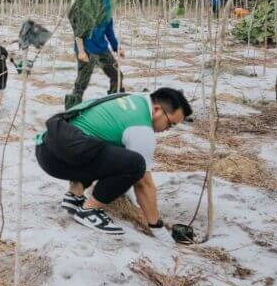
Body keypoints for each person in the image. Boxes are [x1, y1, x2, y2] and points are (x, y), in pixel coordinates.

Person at [35, 88, 192, 235]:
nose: (167, 129)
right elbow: (143, 184)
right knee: (135, 164)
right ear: (157, 110)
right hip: (58, 158)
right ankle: (89, 211)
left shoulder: (132, 99)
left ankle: (75, 195)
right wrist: (157, 227)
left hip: (47, 145)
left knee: (108, 146)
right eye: (170, 124)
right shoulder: (141, 128)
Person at [66, 0, 124, 110]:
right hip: (86, 49)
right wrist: (81, 51)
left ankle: (112, 105)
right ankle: (71, 112)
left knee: (117, 76)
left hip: (102, 48)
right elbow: (78, 30)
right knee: (81, 83)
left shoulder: (106, 0)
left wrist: (116, 47)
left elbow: (108, 27)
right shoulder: (83, 1)